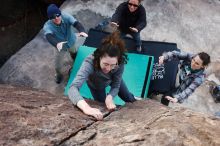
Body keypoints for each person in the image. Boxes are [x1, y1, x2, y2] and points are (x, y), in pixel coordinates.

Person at [68, 31, 137, 120]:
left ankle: (135, 100)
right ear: (99, 57)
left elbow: (116, 85)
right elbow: (73, 88)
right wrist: (86, 108)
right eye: (105, 64)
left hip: (112, 79)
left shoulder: (119, 62)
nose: (108, 69)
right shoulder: (89, 62)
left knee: (128, 97)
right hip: (96, 85)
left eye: (112, 65)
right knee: (102, 105)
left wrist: (110, 97)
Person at [43, 4, 88, 84]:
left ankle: (74, 59)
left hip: (71, 41)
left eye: (57, 15)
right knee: (57, 66)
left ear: (60, 13)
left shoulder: (66, 16)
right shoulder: (47, 26)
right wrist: (57, 44)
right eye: (52, 17)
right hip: (60, 46)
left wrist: (82, 31)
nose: (56, 18)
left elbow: (76, 23)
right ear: (50, 19)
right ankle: (59, 75)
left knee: (74, 53)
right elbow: (48, 36)